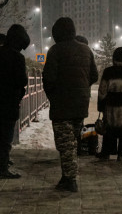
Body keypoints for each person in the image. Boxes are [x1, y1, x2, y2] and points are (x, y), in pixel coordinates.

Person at [42, 17, 98, 192]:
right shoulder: (86, 50)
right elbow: (94, 76)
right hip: (80, 104)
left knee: (65, 144)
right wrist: (81, 87)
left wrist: (53, 96)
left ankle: (70, 179)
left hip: (62, 105)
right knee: (72, 141)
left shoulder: (55, 50)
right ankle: (67, 177)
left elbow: (48, 79)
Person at [0, 24, 30, 179]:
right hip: (10, 102)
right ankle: (2, 169)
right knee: (6, 138)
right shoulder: (17, 58)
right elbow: (22, 80)